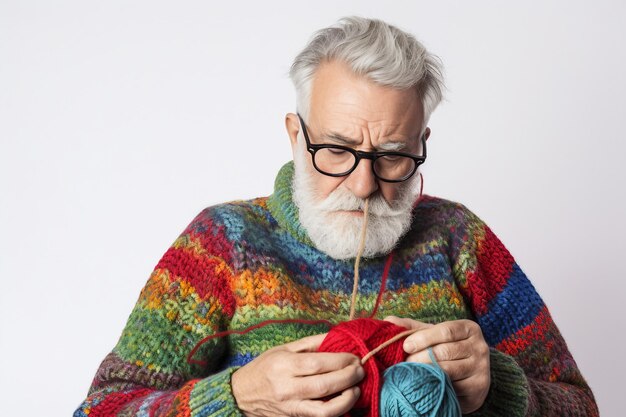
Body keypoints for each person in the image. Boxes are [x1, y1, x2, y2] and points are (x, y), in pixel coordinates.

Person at [74, 17, 598, 417]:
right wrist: (237, 396)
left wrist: (499, 386)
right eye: (337, 149)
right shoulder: (224, 243)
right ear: (295, 136)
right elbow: (100, 408)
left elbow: (583, 406)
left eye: (392, 154)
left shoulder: (458, 238)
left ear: (422, 144)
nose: (364, 184)